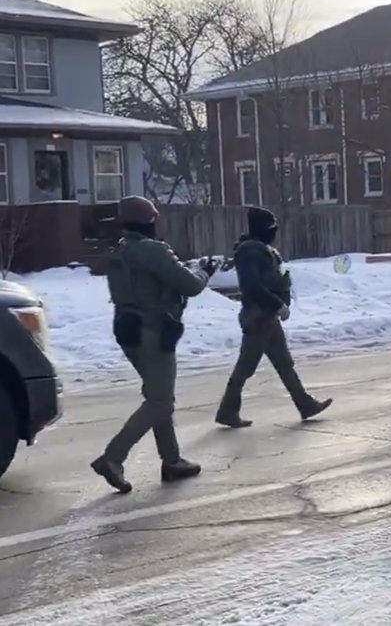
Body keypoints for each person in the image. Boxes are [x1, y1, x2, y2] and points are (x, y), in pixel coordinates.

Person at [91, 195, 217, 494]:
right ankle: (113, 457)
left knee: (157, 395)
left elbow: (150, 280)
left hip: (127, 329)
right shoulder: (154, 250)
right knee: (161, 401)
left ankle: (172, 461)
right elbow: (191, 285)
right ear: (151, 220)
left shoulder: (122, 250)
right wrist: (205, 270)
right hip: (154, 332)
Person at [214, 207, 332, 428]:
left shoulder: (260, 250)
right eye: (271, 228)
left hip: (267, 316)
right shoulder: (250, 252)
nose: (274, 233)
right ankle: (227, 411)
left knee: (284, 363)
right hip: (258, 317)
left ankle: (305, 404)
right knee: (245, 367)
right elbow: (252, 287)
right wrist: (278, 305)